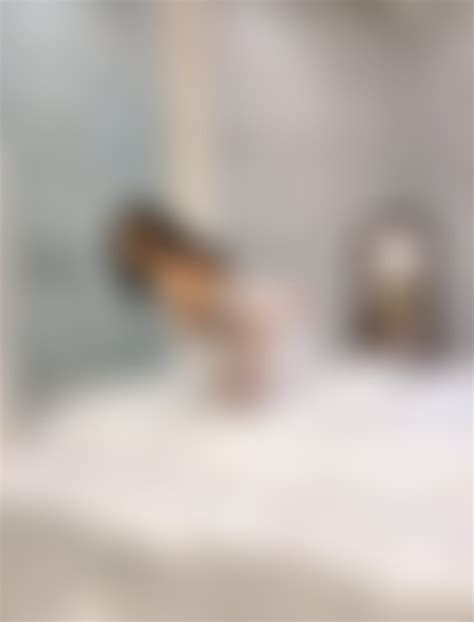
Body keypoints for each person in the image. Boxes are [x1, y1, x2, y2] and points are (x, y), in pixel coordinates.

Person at [111, 198, 305, 406]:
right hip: (241, 327)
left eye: (134, 243)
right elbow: (202, 320)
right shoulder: (170, 272)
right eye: (128, 246)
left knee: (248, 382)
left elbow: (217, 306)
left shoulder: (180, 266)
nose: (130, 251)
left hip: (247, 321)